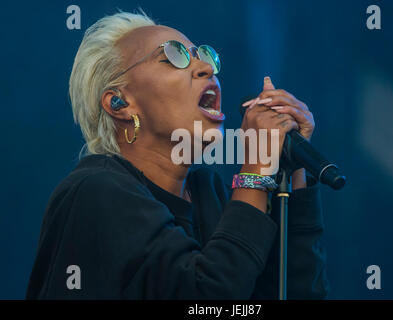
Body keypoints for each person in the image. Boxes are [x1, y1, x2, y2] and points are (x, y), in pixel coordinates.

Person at [26, 11, 329, 299]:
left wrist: (291, 166)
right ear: (119, 103)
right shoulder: (94, 190)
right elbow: (205, 298)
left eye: (204, 56)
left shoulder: (211, 198)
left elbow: (291, 293)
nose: (206, 68)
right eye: (173, 56)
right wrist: (255, 171)